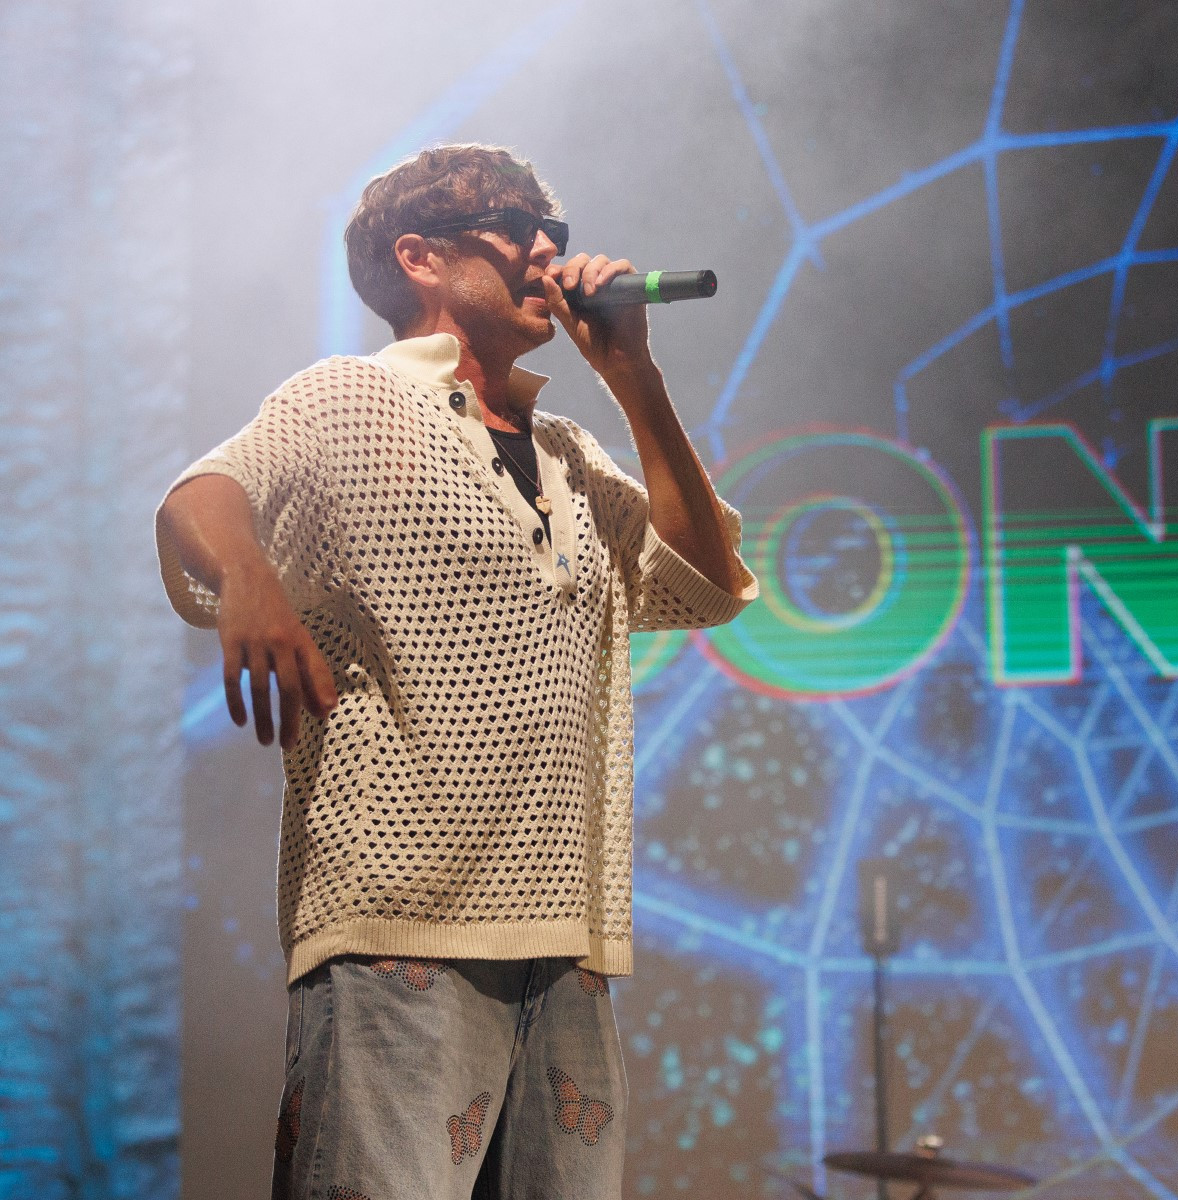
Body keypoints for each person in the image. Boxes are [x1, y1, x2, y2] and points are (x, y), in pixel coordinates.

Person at [154, 143, 756, 1200]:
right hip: (397, 925)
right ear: (419, 257)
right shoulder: (347, 399)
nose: (547, 253)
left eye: (554, 234)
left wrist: (635, 378)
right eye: (518, 229)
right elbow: (201, 495)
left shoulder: (568, 451)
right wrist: (246, 572)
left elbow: (705, 582)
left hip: (565, 937)